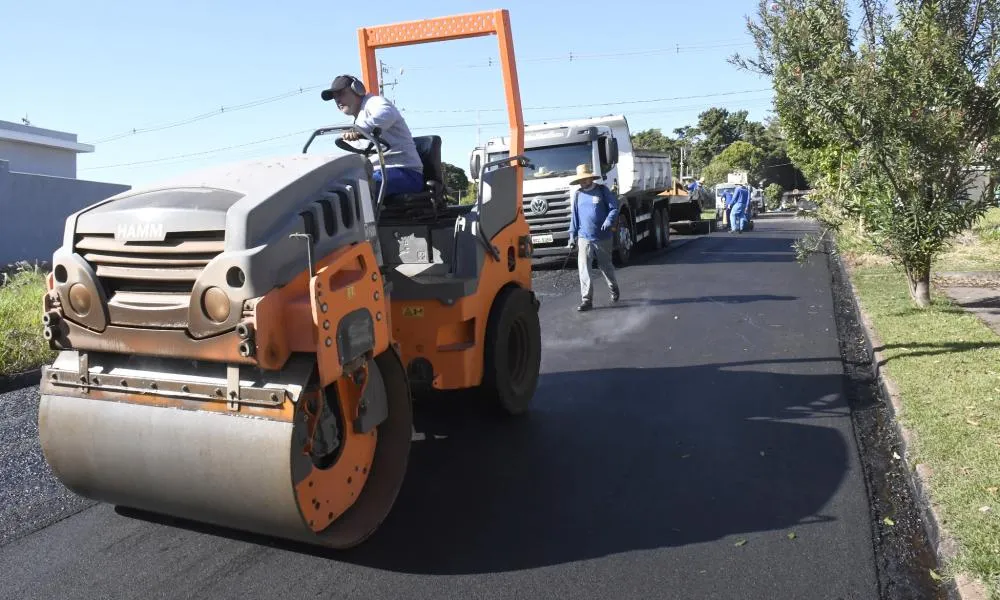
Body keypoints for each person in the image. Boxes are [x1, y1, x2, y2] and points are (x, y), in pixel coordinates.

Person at [320, 74, 425, 198]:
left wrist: (360, 129)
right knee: (333, 189)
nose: (337, 100)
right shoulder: (356, 122)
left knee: (359, 189)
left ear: (357, 90)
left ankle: (368, 217)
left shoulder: (374, 102)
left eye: (341, 94)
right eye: (334, 97)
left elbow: (387, 113)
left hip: (405, 172)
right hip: (376, 173)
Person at [566, 164, 621, 312]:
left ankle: (614, 288)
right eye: (581, 180)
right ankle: (586, 300)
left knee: (605, 266)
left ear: (591, 177)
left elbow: (614, 207)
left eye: (585, 179)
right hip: (584, 237)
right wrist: (572, 235)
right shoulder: (578, 194)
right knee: (584, 269)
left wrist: (609, 220)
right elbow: (575, 217)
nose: (583, 182)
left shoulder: (602, 190)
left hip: (603, 237)